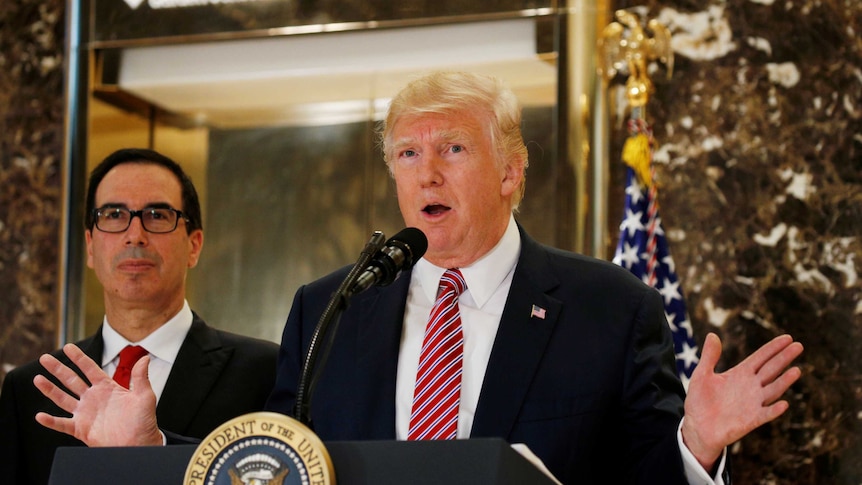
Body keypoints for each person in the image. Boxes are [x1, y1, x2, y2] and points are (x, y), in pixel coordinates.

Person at [30, 74, 803, 485]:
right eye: (406, 153)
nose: (426, 170)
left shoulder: (609, 306)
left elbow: (643, 478)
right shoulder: (330, 305)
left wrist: (696, 443)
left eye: (453, 150)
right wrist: (150, 446)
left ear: (511, 171)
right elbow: (278, 461)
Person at [0, 148, 279, 485]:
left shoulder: (265, 372)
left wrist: (157, 447)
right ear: (90, 246)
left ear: (194, 245)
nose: (135, 235)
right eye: (114, 214)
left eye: (157, 215)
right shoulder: (32, 390)